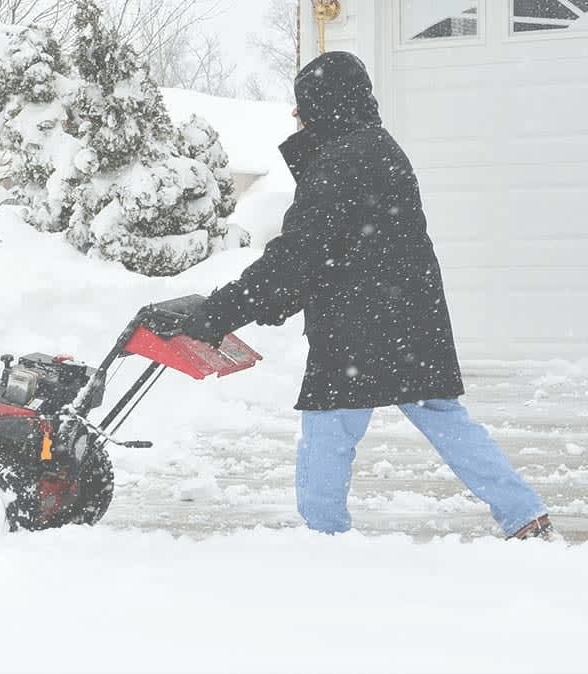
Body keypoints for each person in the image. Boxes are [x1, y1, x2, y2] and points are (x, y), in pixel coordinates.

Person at [160, 51, 554, 541]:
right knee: (440, 415)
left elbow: (298, 256)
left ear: (325, 103)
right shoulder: (378, 148)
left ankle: (322, 535)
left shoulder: (339, 160)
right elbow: (328, 249)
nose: (294, 115)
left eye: (301, 104)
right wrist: (268, 300)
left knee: (329, 422)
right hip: (406, 312)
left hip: (359, 321)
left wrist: (221, 311)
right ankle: (523, 512)